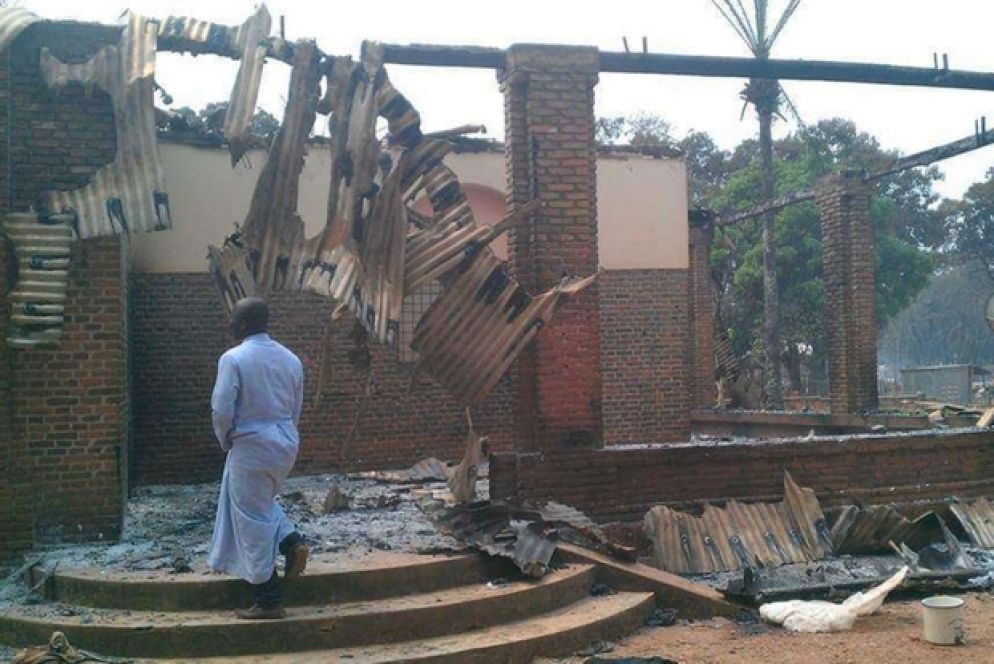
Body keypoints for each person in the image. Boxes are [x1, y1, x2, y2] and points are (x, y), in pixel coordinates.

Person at [208, 297, 309, 619]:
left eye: (233, 319)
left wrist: (225, 439)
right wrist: (284, 438)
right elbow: (295, 408)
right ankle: (291, 541)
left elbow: (221, 409)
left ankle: (268, 599)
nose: (229, 324)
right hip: (284, 444)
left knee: (250, 520)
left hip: (250, 444)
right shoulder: (291, 359)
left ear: (242, 324)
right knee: (261, 503)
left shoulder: (233, 358)